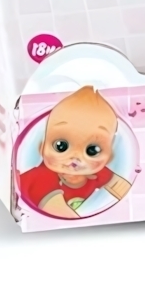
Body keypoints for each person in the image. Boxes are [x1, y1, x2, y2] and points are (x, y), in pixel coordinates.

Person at [18, 86, 131, 218]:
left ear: (108, 157)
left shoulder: (95, 173)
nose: (75, 157)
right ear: (42, 149)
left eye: (92, 150)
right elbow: (61, 216)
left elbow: (126, 189)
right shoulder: (41, 178)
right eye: (61, 146)